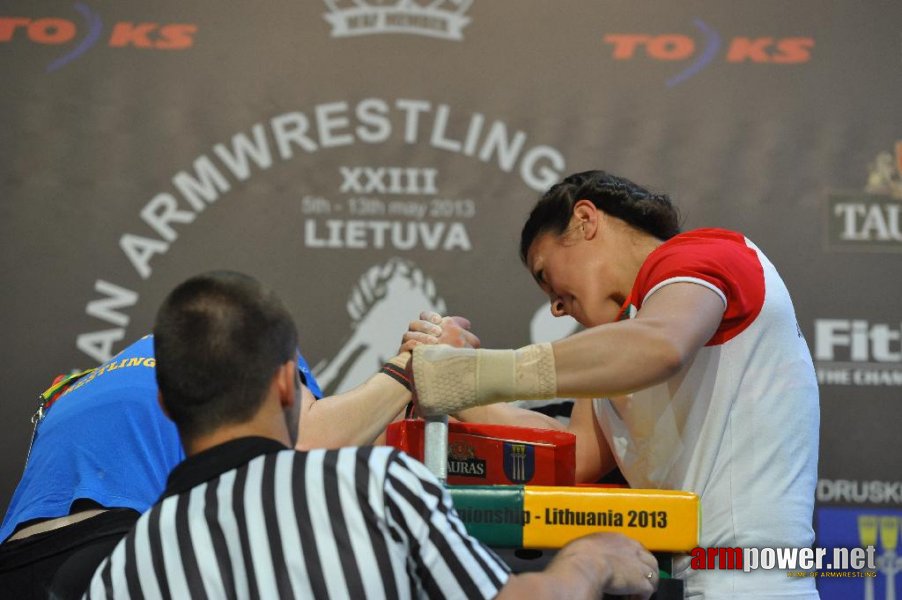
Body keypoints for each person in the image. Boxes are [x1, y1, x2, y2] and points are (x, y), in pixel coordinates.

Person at [83, 270, 659, 599]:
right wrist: (590, 558)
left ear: (163, 402)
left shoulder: (126, 564)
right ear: (288, 385)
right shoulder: (375, 483)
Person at [408, 170, 820, 599]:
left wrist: (470, 372)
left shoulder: (705, 253)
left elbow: (662, 345)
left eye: (546, 275)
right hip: (677, 582)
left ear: (585, 219)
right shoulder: (624, 343)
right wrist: (453, 385)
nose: (555, 307)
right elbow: (571, 454)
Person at [0, 312, 443, 598]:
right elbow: (311, 444)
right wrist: (411, 368)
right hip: (111, 555)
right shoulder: (253, 354)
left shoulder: (116, 374)